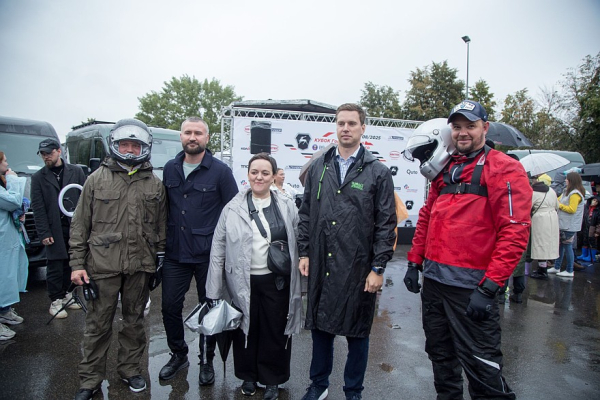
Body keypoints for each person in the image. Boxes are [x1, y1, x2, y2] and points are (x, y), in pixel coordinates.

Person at [403, 101, 532, 399]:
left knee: (483, 368)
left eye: (470, 126)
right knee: (441, 358)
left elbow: (514, 233)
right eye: (457, 127)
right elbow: (427, 217)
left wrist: (489, 288)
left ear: (485, 128)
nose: (463, 132)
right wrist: (413, 262)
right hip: (435, 286)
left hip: (471, 289)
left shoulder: (504, 167)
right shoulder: (445, 169)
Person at [297, 103, 397, 400]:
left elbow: (386, 224)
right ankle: (319, 384)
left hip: (358, 265)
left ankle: (353, 390)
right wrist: (304, 252)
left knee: (357, 331)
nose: (346, 128)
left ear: (363, 128)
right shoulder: (319, 167)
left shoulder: (378, 172)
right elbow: (306, 213)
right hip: (322, 260)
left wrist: (378, 268)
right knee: (321, 328)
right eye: (341, 123)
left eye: (352, 123)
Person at [69, 119, 167, 400]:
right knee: (98, 325)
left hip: (140, 266)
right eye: (125, 144)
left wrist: (159, 260)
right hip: (103, 266)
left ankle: (130, 370)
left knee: (134, 323)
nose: (130, 150)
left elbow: (161, 226)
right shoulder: (96, 179)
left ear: (144, 147)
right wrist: (77, 265)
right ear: (115, 145)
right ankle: (89, 380)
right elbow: (80, 225)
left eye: (135, 145)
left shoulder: (154, 183)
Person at [206, 153, 302, 400]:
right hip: (241, 282)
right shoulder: (232, 208)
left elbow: (298, 239)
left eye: (265, 173)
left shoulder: (287, 205)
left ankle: (272, 380)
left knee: (275, 331)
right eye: (254, 172)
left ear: (273, 176)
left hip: (276, 281)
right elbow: (218, 248)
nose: (259, 177)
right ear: (248, 175)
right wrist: (213, 291)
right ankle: (248, 377)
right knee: (244, 330)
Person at [158, 116, 238, 385]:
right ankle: (178, 354)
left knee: (209, 309)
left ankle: (206, 360)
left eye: (198, 133)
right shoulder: (170, 169)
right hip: (175, 253)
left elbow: (233, 212)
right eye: (188, 132)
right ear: (181, 136)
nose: (193, 137)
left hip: (208, 255)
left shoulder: (221, 172)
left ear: (207, 138)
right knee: (169, 306)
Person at [31, 138, 86, 318]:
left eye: (49, 153)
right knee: (55, 266)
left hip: (74, 227)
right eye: (43, 154)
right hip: (53, 228)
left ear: (59, 151)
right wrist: (44, 232)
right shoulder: (38, 177)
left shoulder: (76, 171)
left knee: (73, 262)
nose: (46, 157)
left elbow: (85, 197)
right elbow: (38, 207)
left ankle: (69, 293)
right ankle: (56, 300)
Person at [515, 176, 559, 296]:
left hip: (540, 219)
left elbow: (527, 207)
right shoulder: (551, 191)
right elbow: (557, 205)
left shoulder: (533, 193)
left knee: (539, 244)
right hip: (553, 218)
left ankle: (542, 271)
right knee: (547, 245)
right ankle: (543, 269)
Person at [0, 152, 28, 340]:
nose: (8, 164)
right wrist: (13, 180)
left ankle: (4, 311)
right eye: (4, 161)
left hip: (6, 238)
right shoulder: (7, 181)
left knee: (7, 275)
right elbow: (13, 201)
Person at [547, 171, 585, 278]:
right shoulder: (567, 192)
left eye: (567, 179)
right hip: (564, 224)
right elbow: (557, 200)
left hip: (569, 226)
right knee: (561, 246)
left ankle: (569, 270)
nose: (565, 180)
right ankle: (557, 266)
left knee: (567, 246)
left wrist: (559, 205)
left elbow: (572, 209)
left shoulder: (575, 194)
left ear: (571, 180)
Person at [575, 195, 599, 264]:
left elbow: (599, 222)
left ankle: (591, 257)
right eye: (594, 200)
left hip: (592, 228)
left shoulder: (597, 211)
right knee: (585, 240)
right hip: (585, 227)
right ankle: (584, 254)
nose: (594, 202)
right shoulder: (587, 208)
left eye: (596, 201)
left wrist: (597, 232)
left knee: (592, 242)